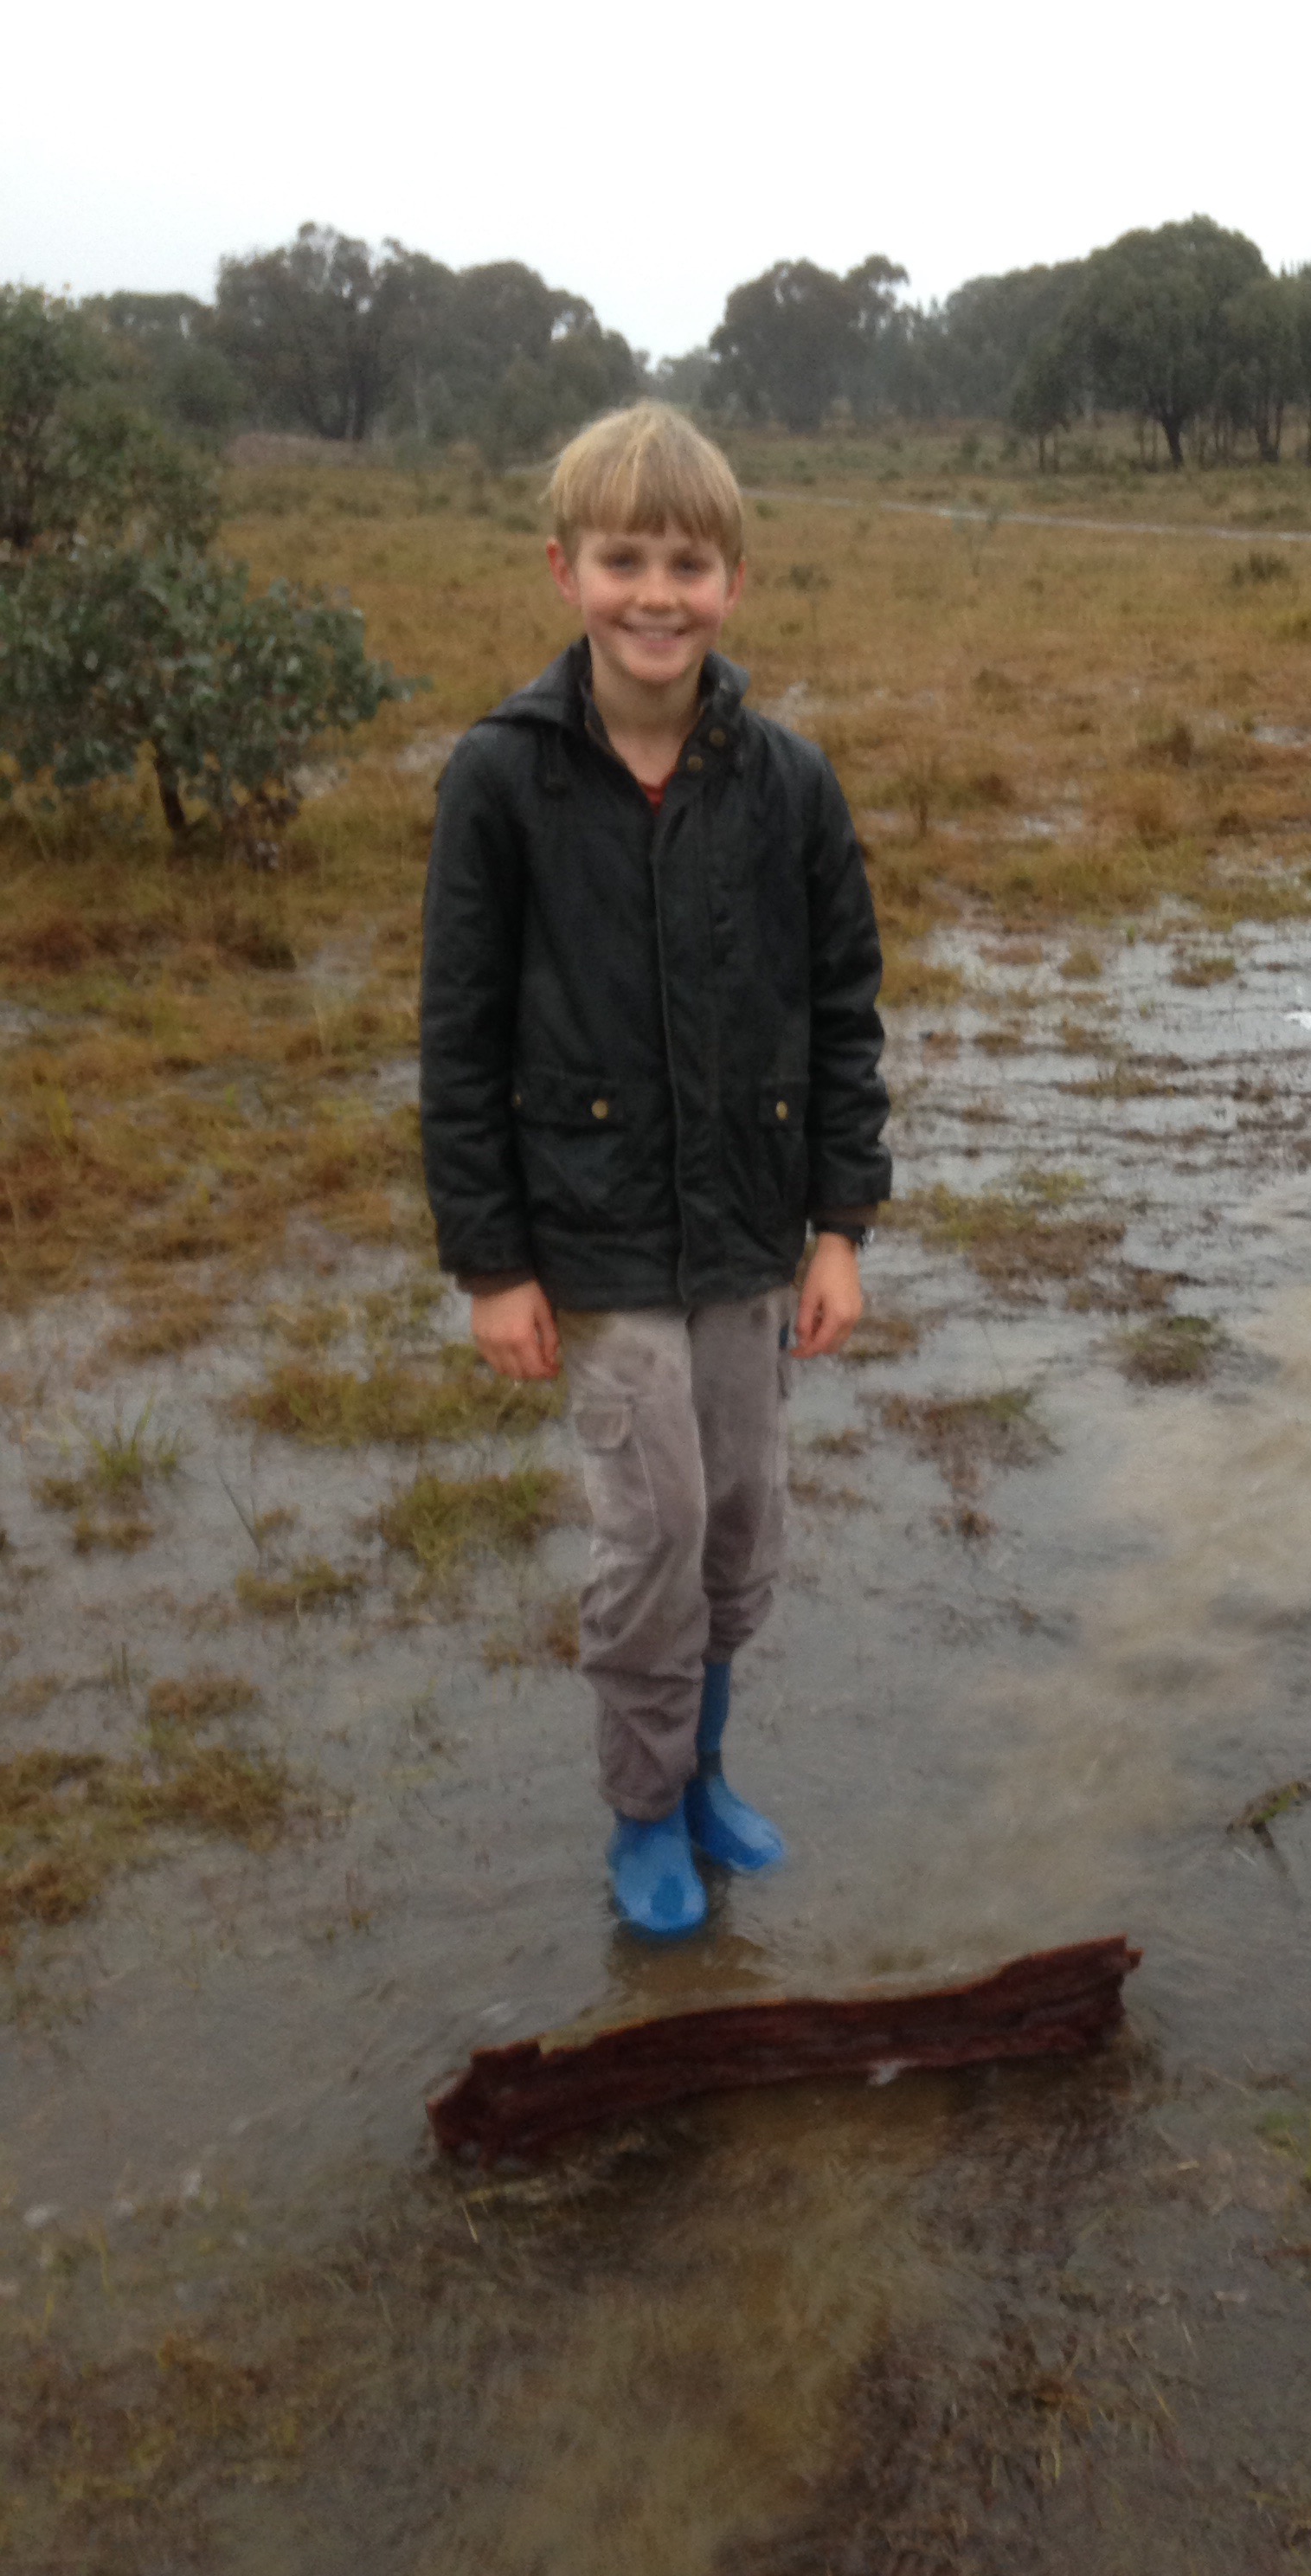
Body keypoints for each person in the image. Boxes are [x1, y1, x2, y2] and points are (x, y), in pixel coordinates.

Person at [419, 402, 890, 1939]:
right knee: (657, 1529)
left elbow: (842, 1009)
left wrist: (840, 1225)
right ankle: (640, 1808)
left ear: (732, 582)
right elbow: (459, 1037)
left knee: (741, 1517)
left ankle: (704, 1777)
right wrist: (494, 1264)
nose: (657, 595)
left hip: (750, 1230)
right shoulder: (500, 781)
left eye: (689, 565)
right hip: (596, 1236)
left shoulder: (789, 784)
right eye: (625, 560)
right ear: (567, 570)